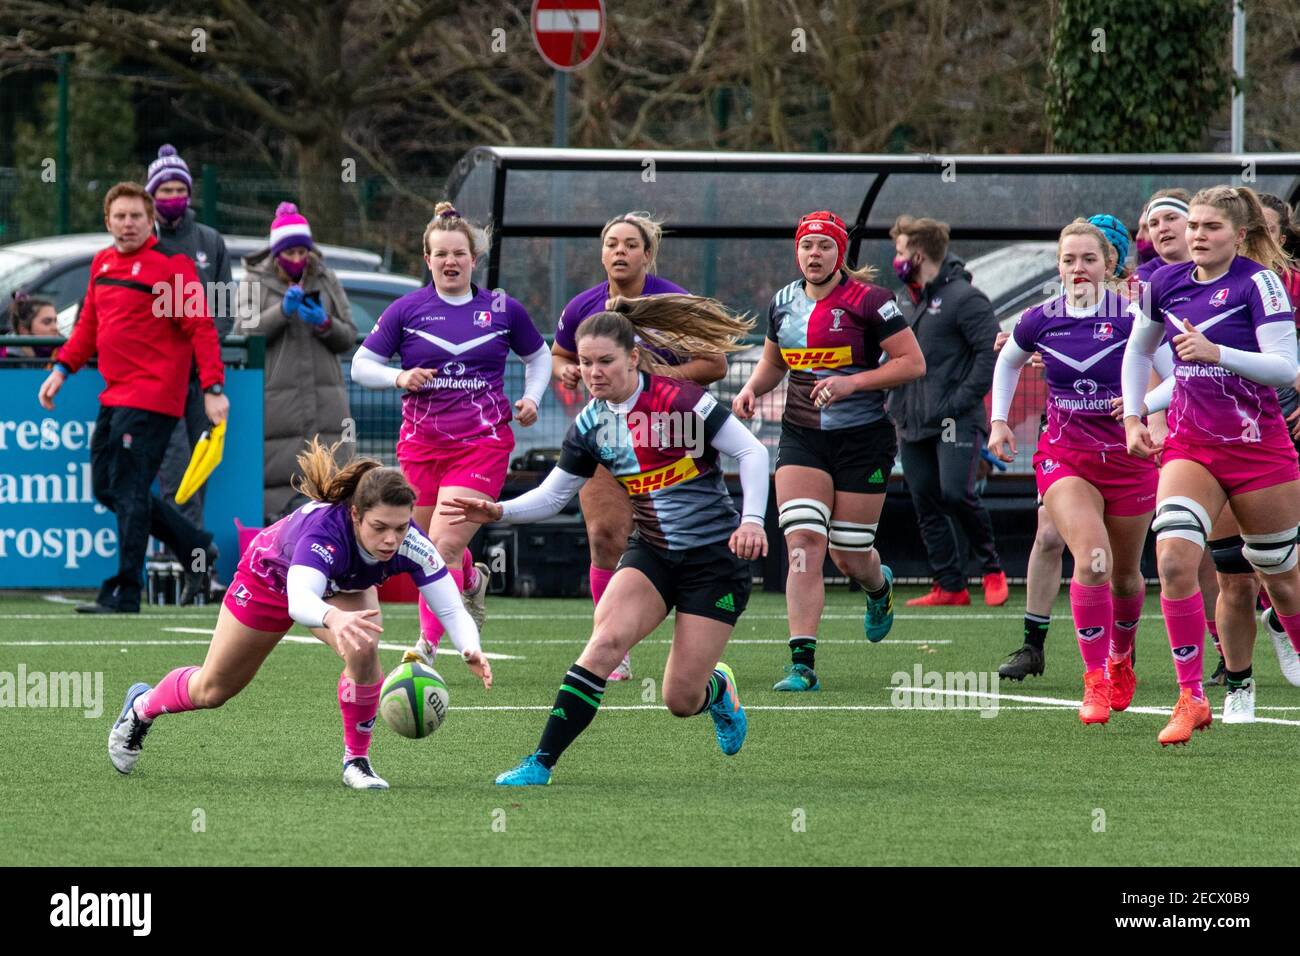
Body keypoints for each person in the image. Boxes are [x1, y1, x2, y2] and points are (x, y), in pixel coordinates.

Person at [443, 297, 765, 786]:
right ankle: (540, 763)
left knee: (680, 700)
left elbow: (753, 451)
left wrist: (754, 521)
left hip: (714, 560)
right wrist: (500, 510)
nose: (592, 372)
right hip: (654, 553)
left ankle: (718, 690)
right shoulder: (591, 424)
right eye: (584, 362)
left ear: (633, 357)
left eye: (605, 362)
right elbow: (555, 495)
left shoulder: (681, 401)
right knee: (604, 643)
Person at [107, 440, 491, 790]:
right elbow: (300, 600)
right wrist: (334, 618)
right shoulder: (324, 533)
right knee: (212, 690)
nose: (391, 539)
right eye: (379, 528)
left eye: (400, 527)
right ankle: (143, 705)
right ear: (355, 515)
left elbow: (450, 606)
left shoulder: (411, 543)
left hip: (342, 586)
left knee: (362, 646)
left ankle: (356, 761)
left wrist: (469, 647)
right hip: (270, 580)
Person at [1121, 185, 1300, 745]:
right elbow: (1136, 349)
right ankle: (1193, 696)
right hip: (1191, 446)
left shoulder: (1259, 282)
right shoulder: (1161, 283)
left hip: (1258, 448)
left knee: (1283, 580)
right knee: (1175, 560)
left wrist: (1219, 353)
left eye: (1210, 227)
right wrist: (1132, 415)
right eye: (1193, 225)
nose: (1197, 235)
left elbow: (1284, 367)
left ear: (1239, 235)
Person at [733, 210, 924, 692]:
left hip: (864, 440)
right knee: (802, 544)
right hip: (802, 437)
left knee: (849, 555)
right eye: (806, 246)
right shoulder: (782, 302)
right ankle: (802, 663)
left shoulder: (872, 302)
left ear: (840, 252)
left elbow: (912, 363)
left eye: (823, 246)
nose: (813, 254)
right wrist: (753, 389)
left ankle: (878, 588)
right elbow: (774, 362)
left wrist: (851, 383)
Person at [351, 203, 551, 652]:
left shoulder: (501, 308)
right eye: (440, 254)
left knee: (439, 547)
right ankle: (471, 580)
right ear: (427, 259)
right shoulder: (407, 309)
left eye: (459, 253)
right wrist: (399, 377)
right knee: (417, 547)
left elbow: (539, 357)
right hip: (420, 447)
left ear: (473, 259)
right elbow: (362, 366)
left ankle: (427, 646)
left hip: (483, 444)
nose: (450, 261)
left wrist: (532, 398)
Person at [990, 220, 1157, 723]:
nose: (1078, 269)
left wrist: (1140, 406)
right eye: (1069, 260)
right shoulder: (1040, 317)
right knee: (1094, 560)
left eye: (1088, 259)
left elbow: (1176, 376)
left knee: (1126, 577)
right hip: (1065, 456)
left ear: (1109, 265)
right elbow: (1009, 363)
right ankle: (1095, 682)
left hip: (1129, 458)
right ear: (1058, 266)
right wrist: (999, 422)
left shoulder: (1136, 317)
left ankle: (1121, 658)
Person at [37, 182, 227, 615]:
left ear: (150, 220)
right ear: (107, 222)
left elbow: (200, 327)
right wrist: (62, 369)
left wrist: (213, 388)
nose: (127, 224)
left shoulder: (172, 267)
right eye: (119, 217)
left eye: (135, 216)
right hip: (114, 396)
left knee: (128, 489)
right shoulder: (102, 263)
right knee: (108, 488)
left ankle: (125, 589)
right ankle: (196, 545)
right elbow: (88, 324)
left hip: (153, 398)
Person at [551, 211, 726, 682]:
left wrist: (655, 382)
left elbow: (715, 364)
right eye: (611, 244)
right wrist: (565, 370)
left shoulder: (674, 303)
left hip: (672, 439)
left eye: (630, 244)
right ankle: (614, 647)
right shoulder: (583, 307)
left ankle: (694, 650)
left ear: (648, 254)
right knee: (605, 537)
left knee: (679, 541)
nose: (619, 252)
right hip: (609, 438)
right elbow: (560, 353)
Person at [887, 215, 1008, 607]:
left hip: (955, 420)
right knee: (924, 498)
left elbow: (989, 356)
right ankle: (950, 585)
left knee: (955, 493)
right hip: (911, 419)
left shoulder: (966, 298)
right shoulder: (903, 297)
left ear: (918, 254)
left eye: (901, 251)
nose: (897, 258)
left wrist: (957, 401)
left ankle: (991, 569)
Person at [238, 202, 358, 525]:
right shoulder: (254, 282)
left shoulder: (325, 278)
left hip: (326, 404)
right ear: (276, 253)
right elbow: (244, 333)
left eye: (301, 252)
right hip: (277, 405)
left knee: (334, 490)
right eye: (288, 254)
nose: (295, 260)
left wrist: (324, 323)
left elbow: (349, 335)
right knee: (280, 487)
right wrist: (281, 312)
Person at [147, 144, 235, 575]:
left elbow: (224, 310)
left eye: (180, 188)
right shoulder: (144, 241)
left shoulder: (209, 242)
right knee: (172, 465)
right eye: (165, 189)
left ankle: (191, 558)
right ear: (151, 195)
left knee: (199, 466)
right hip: (159, 377)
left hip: (203, 378)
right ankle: (175, 552)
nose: (173, 196)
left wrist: (203, 354)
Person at [1136, 189, 1193, 283]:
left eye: (1171, 218)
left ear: (1192, 222)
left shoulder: (1218, 267)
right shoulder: (1142, 277)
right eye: (1154, 224)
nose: (1162, 228)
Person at [3, 293, 58, 358]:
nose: (55, 328)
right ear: (23, 330)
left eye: (55, 321)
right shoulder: (6, 362)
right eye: (46, 322)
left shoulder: (62, 349)